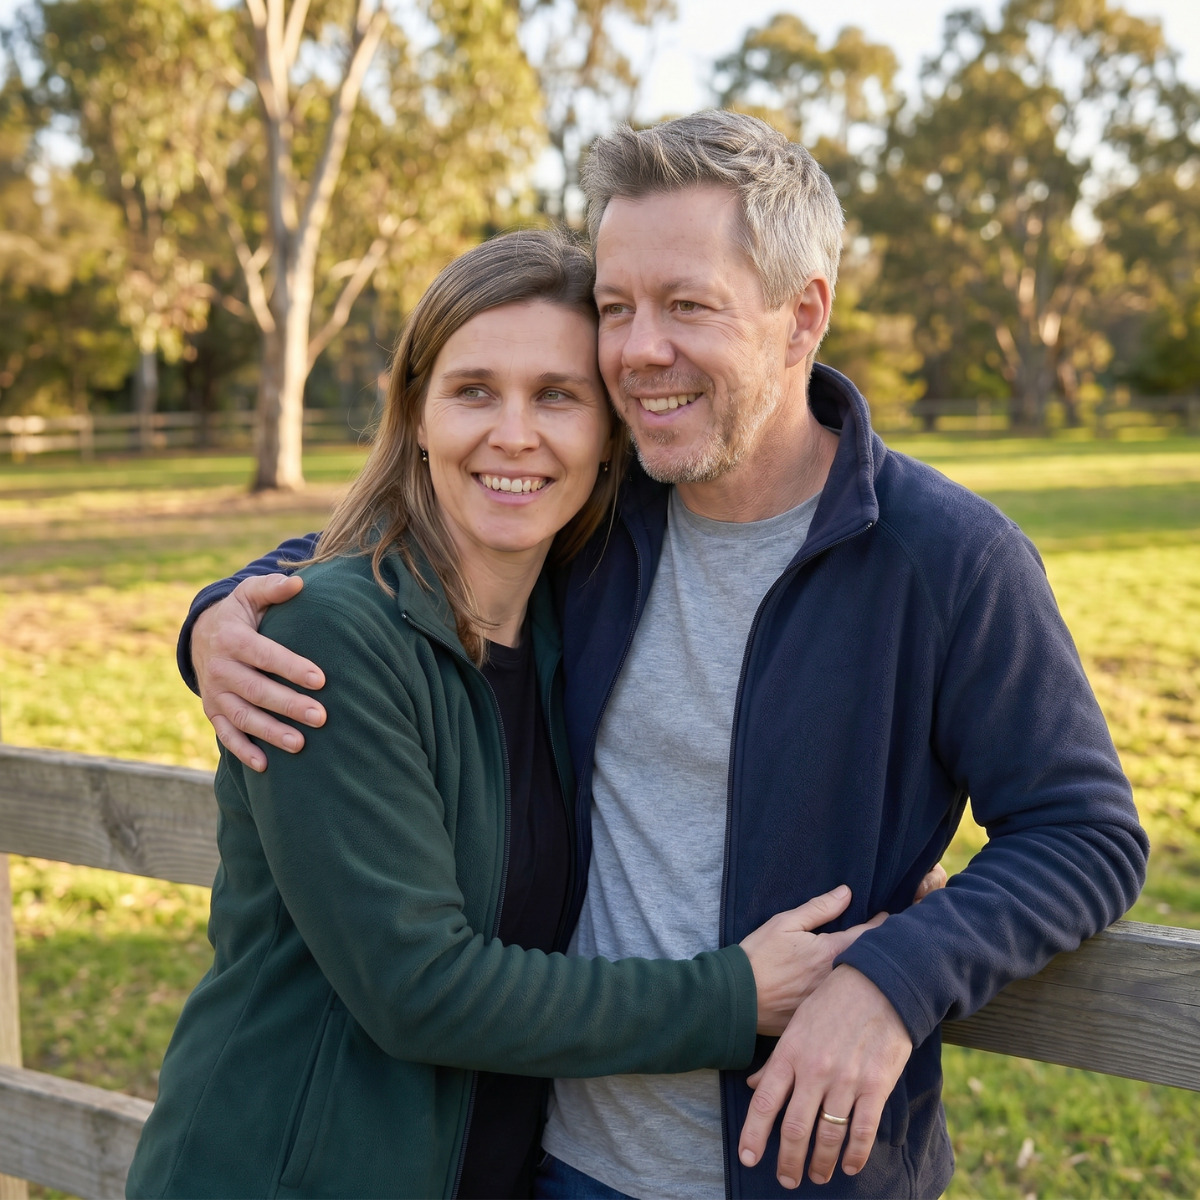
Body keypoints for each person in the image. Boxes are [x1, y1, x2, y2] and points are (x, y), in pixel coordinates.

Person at [179, 113, 1148, 1199]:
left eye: (688, 305)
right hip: (550, 1161)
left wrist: (895, 979)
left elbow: (1086, 835)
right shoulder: (601, 510)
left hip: (805, 1170)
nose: (640, 350)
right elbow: (415, 532)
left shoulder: (949, 560)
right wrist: (223, 611)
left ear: (801, 316)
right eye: (616, 308)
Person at [128, 228, 901, 1200]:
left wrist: (911, 888)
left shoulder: (568, 626)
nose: (515, 433)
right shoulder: (322, 639)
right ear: (416, 413)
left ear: (609, 430)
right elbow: (421, 990)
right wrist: (735, 996)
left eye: (558, 397)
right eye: (474, 391)